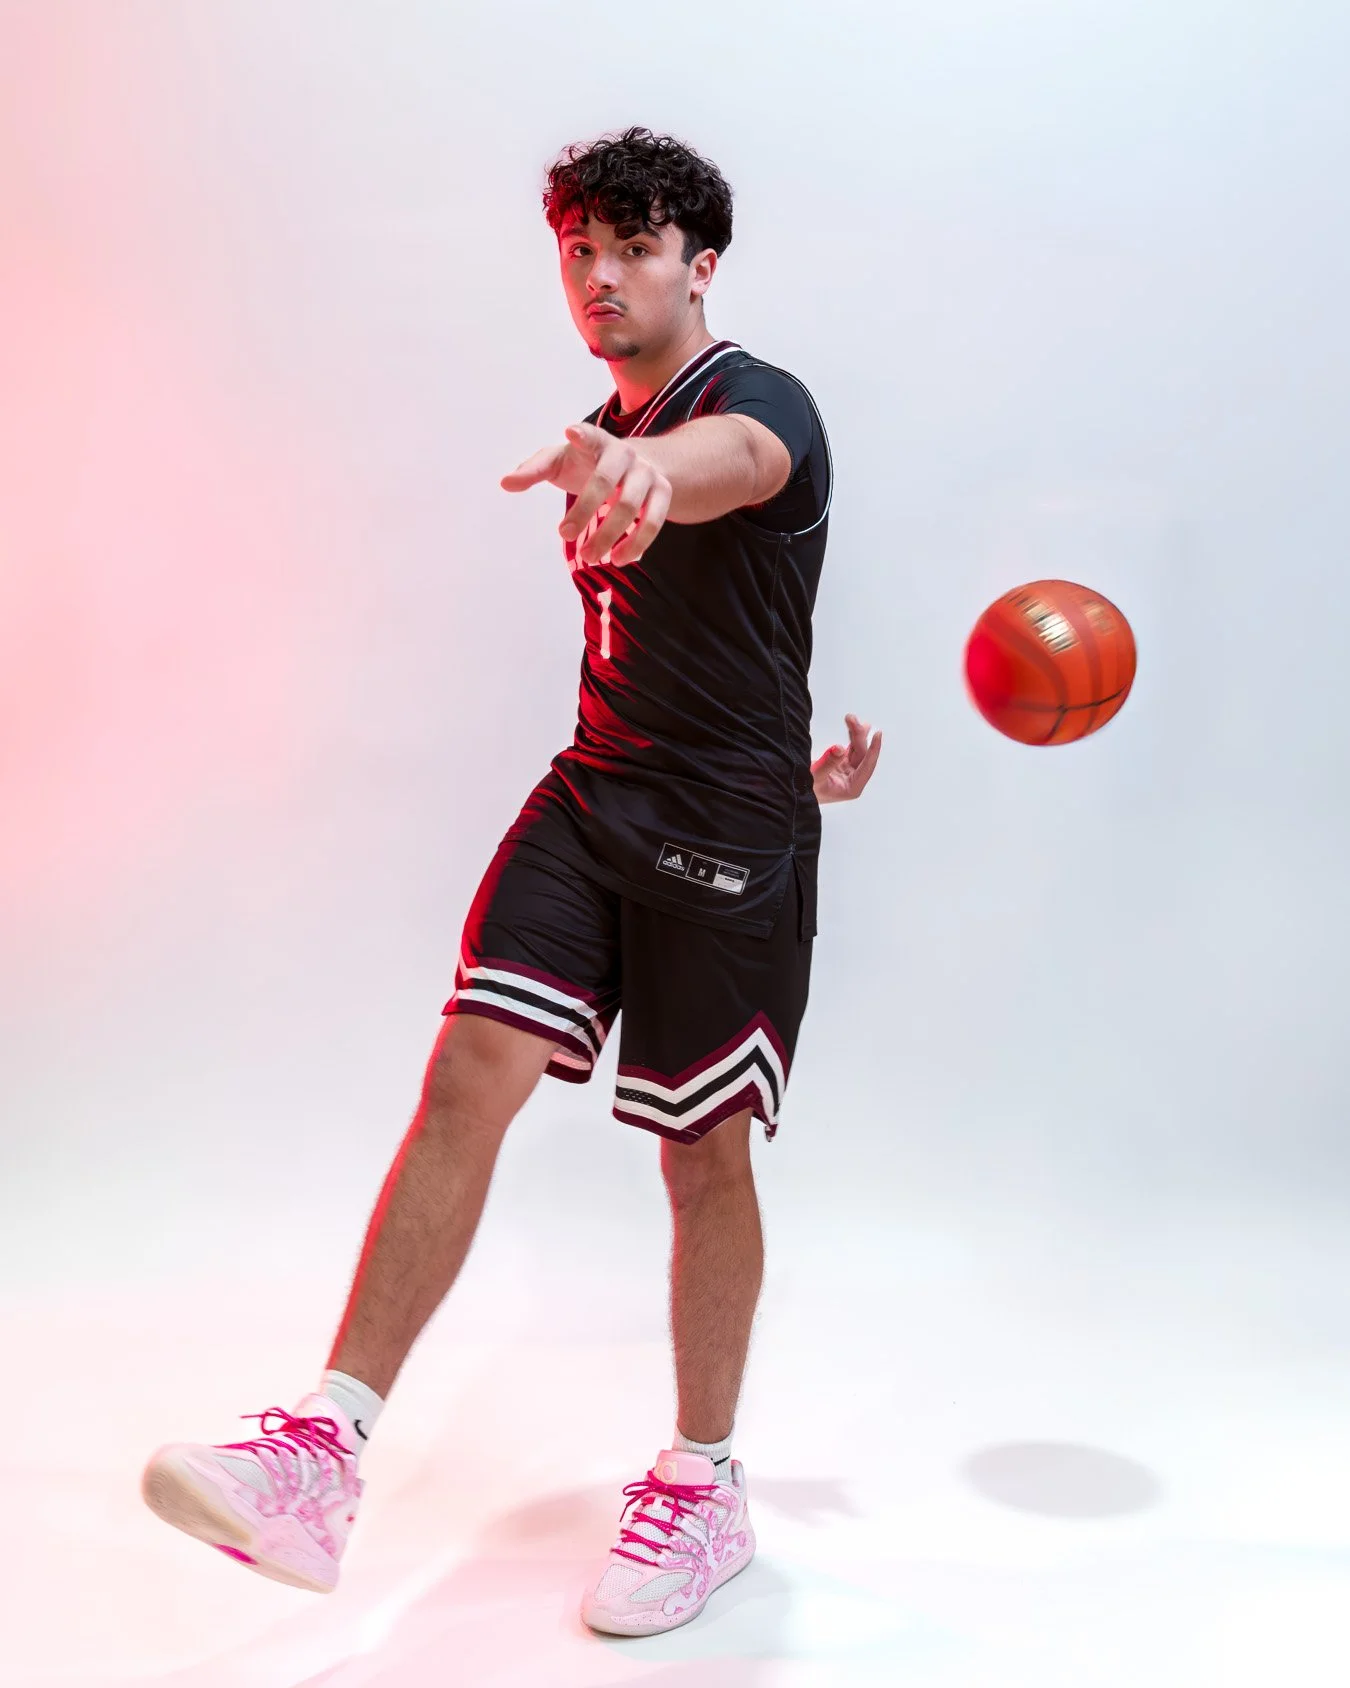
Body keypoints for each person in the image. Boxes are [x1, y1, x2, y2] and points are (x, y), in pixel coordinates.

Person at [141, 125, 881, 1639]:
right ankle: (321, 1452)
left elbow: (724, 470)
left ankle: (701, 1479)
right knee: (470, 1066)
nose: (602, 277)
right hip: (593, 795)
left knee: (701, 1158)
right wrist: (613, 457)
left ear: (699, 264)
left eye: (634, 249)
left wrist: (638, 469)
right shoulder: (592, 426)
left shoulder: (753, 405)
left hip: (728, 844)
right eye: (579, 252)